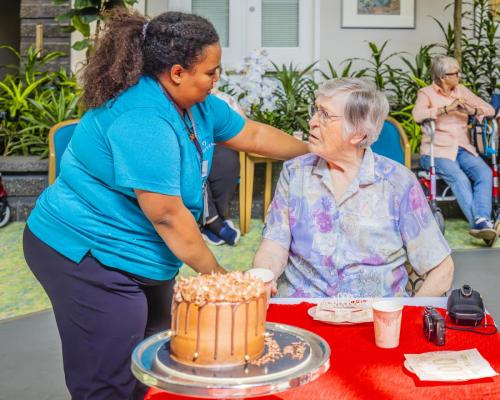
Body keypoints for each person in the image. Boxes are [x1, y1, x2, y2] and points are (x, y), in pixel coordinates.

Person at [23, 10, 308, 400]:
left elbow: (255, 135)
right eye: (211, 72)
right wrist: (217, 275)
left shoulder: (199, 104)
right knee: (111, 375)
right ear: (177, 72)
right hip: (84, 251)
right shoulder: (142, 117)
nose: (216, 80)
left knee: (159, 353)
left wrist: (314, 150)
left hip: (143, 251)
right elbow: (168, 215)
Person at [253, 78, 454, 298]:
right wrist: (264, 276)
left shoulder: (398, 183)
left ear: (358, 133)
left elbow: (442, 269)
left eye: (325, 115)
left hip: (374, 318)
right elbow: (274, 244)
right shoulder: (295, 173)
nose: (312, 121)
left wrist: (407, 320)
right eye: (315, 110)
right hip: (303, 314)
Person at [412, 56, 497, 243]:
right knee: (459, 178)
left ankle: (482, 219)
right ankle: (481, 224)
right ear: (442, 77)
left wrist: (473, 111)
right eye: (455, 73)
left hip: (462, 147)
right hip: (436, 151)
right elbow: (418, 115)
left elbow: (489, 109)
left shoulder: (461, 91)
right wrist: (445, 109)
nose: (459, 75)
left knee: (484, 173)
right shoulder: (426, 93)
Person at [200, 89, 244, 245]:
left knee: (227, 159)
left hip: (221, 144)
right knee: (199, 164)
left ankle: (219, 215)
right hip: (195, 146)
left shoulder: (223, 99)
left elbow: (245, 127)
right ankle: (213, 222)